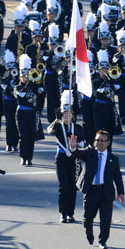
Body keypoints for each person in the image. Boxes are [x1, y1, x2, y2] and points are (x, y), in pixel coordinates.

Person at [69, 130, 125, 249]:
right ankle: (89, 232)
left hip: (106, 191)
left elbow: (117, 176)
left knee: (105, 219)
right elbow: (78, 153)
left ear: (108, 143)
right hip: (91, 191)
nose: (99, 142)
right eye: (97, 140)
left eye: (102, 140)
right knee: (88, 217)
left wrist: (121, 192)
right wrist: (73, 148)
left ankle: (102, 241)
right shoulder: (89, 152)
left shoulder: (113, 159)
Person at [47, 91, 82, 223]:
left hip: (73, 159)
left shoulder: (77, 128)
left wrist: (76, 145)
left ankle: (70, 213)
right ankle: (63, 213)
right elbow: (49, 131)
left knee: (72, 186)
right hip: (61, 159)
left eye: (69, 114)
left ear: (73, 116)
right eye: (64, 114)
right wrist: (55, 120)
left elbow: (83, 143)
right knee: (63, 186)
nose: (67, 116)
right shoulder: (58, 126)